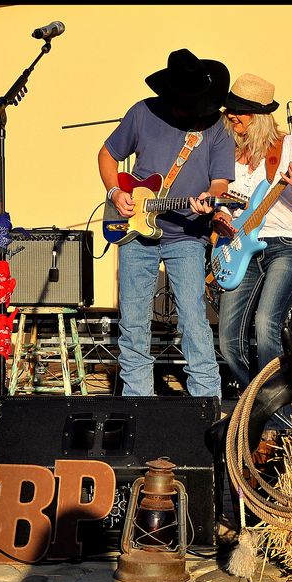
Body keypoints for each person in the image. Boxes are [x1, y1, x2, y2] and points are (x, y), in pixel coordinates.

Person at [98, 48, 235, 398]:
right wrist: (115, 192)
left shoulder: (216, 127)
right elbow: (108, 154)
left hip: (187, 235)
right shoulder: (142, 112)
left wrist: (209, 197)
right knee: (133, 322)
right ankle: (137, 403)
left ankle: (206, 401)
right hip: (135, 234)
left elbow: (221, 183)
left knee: (193, 319)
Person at [212, 73, 292, 429]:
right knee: (228, 341)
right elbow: (223, 198)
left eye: (240, 111)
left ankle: (279, 422)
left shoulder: (289, 147)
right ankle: (262, 405)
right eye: (230, 110)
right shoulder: (225, 151)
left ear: (259, 116)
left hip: (289, 243)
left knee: (266, 324)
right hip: (242, 246)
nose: (232, 116)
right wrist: (220, 215)